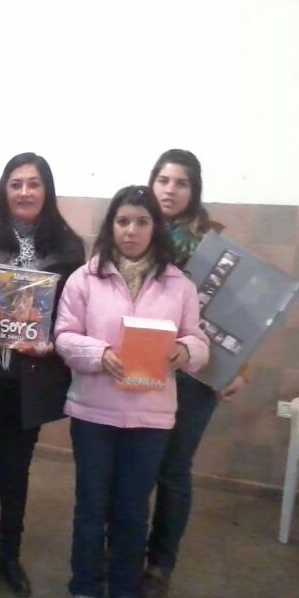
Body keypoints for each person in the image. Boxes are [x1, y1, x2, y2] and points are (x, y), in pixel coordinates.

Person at [54, 185, 210, 598]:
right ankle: (85, 587)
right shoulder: (84, 279)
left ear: (155, 227)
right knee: (91, 510)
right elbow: (64, 337)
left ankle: (125, 588)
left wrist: (184, 351)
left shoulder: (179, 285)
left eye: (142, 222)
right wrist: (98, 353)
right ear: (111, 226)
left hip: (150, 420)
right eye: (123, 221)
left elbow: (199, 341)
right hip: (93, 413)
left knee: (132, 512)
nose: (131, 230)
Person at [0, 152, 85, 597]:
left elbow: (73, 312)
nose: (24, 192)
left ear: (47, 190)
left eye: (33, 184)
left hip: (31, 378)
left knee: (17, 469)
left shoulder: (68, 246)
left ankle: (9, 556)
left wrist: (53, 338)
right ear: (4, 190)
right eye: (15, 184)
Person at [142, 149, 248, 597]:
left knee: (172, 471)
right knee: (133, 467)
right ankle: (122, 551)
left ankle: (159, 564)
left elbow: (237, 317)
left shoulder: (213, 244)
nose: (170, 190)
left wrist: (238, 370)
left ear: (194, 189)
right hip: (142, 367)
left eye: (181, 182)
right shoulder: (135, 231)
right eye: (163, 180)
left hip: (193, 375)